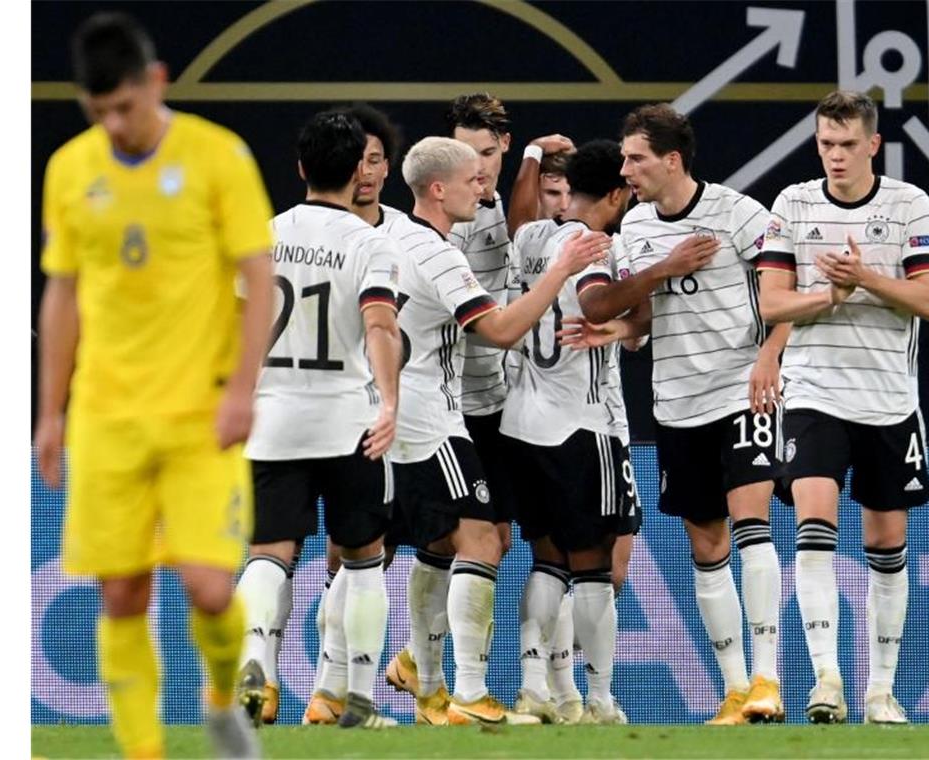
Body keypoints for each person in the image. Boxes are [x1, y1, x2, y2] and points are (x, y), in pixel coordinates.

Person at [34, 12, 274, 758]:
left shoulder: (217, 157)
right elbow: (63, 294)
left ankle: (220, 698)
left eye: (125, 107)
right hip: (106, 416)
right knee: (121, 593)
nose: (114, 124)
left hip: (200, 413)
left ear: (156, 82)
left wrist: (242, 389)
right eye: (97, 111)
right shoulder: (71, 169)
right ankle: (144, 753)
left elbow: (259, 278)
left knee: (209, 588)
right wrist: (50, 412)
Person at [577, 103, 788, 725]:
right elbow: (645, 316)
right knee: (706, 541)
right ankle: (733, 692)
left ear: (672, 159)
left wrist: (771, 356)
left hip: (740, 391)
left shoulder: (739, 214)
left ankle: (767, 678)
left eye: (636, 157)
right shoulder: (637, 227)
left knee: (751, 522)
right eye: (624, 157)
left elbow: (784, 290)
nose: (626, 169)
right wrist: (622, 328)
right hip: (677, 401)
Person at [386, 136, 610, 725]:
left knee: (436, 546)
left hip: (399, 408)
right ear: (439, 189)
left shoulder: (391, 236)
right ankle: (469, 692)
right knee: (481, 541)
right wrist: (561, 267)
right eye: (473, 180)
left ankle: (425, 682)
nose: (483, 189)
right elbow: (504, 329)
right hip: (428, 415)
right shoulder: (438, 253)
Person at [756, 90, 929, 725]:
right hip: (813, 391)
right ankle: (827, 679)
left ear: (872, 145)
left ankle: (881, 691)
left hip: (889, 398)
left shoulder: (909, 205)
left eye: (845, 144)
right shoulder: (794, 204)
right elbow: (771, 304)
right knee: (814, 525)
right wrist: (825, 296)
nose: (834, 156)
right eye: (825, 144)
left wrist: (864, 279)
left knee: (886, 543)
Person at [234, 109, 403, 731]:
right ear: (358, 167)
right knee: (362, 558)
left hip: (272, 417)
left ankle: (256, 664)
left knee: (268, 553)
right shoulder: (370, 243)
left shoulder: (262, 235)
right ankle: (356, 700)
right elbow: (381, 324)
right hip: (347, 420)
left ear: (302, 167)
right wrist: (389, 402)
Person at [502, 140, 637, 725]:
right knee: (594, 569)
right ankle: (601, 698)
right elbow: (597, 302)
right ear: (615, 194)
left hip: (522, 425)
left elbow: (518, 216)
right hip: (581, 427)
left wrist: (530, 156)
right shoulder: (595, 245)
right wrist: (661, 272)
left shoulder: (534, 236)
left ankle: (534, 686)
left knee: (547, 563)